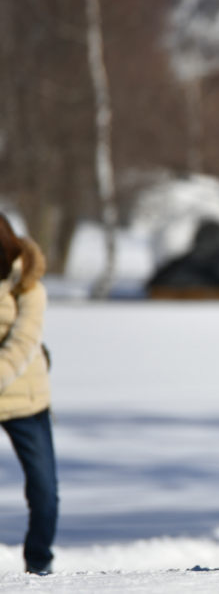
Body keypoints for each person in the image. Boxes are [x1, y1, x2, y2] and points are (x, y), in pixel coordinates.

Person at [0, 213, 58, 574]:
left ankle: (39, 564)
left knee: (44, 492)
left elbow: (22, 341)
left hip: (26, 398)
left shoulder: (28, 280)